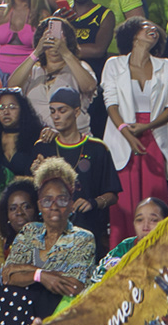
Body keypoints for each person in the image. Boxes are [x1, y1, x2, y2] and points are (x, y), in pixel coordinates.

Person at [101, 17, 168, 248]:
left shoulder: (166, 66)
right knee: (124, 202)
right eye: (145, 27)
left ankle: (158, 251)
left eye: (155, 28)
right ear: (132, 34)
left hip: (154, 136)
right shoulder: (114, 64)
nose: (152, 29)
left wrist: (147, 127)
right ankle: (122, 256)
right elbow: (110, 102)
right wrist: (126, 132)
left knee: (155, 198)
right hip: (122, 136)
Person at [3, 154, 96, 320]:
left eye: (62, 200)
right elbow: (7, 276)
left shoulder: (82, 237)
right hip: (21, 312)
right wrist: (41, 275)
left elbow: (74, 287)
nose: (54, 206)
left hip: (62, 315)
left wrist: (24, 271)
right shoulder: (29, 231)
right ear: (39, 206)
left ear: (71, 204)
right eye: (47, 201)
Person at [37, 87, 119, 250]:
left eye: (62, 111)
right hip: (51, 232)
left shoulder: (97, 149)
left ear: (76, 112)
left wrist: (93, 203)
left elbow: (112, 194)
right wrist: (36, 174)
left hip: (88, 229)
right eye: (52, 111)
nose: (56, 116)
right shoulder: (44, 147)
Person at [11, 17, 97, 133]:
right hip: (38, 136)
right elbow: (12, 87)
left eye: (59, 36)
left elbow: (89, 87)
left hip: (74, 136)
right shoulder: (34, 70)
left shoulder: (79, 66)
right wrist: (36, 52)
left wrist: (65, 52)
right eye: (48, 36)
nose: (54, 41)